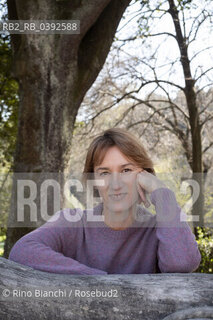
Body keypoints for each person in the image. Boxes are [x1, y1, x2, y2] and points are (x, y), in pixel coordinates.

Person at [9, 128, 201, 274]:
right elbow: (22, 251)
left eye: (126, 170)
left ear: (145, 176)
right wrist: (100, 281)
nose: (115, 184)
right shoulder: (74, 221)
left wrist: (161, 191)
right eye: (104, 173)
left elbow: (183, 263)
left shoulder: (159, 230)